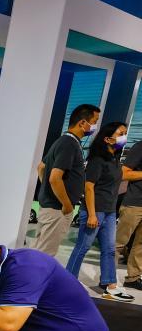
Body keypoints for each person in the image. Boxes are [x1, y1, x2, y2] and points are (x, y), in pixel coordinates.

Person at [65, 121, 134, 301]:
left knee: (109, 249)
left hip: (110, 212)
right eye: (121, 133)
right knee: (82, 247)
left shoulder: (115, 159)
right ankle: (67, 283)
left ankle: (110, 285)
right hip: (95, 211)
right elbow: (89, 187)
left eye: (125, 133)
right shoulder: (97, 160)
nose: (124, 137)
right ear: (107, 139)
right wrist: (92, 214)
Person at [34, 104, 101, 256]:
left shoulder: (64, 141)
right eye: (94, 121)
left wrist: (48, 191)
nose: (95, 126)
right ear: (82, 123)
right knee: (45, 256)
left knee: (39, 252)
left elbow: (41, 167)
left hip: (51, 207)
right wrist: (66, 204)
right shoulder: (69, 144)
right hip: (58, 209)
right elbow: (55, 178)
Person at [116, 139, 142, 290]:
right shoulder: (140, 146)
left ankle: (133, 278)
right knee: (119, 243)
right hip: (134, 204)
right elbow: (124, 173)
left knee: (140, 245)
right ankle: (107, 277)